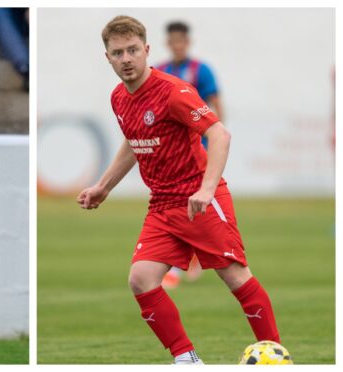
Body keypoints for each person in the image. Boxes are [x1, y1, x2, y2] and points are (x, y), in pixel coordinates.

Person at [77, 15, 280, 364]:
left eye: (132, 50)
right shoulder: (119, 98)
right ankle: (187, 360)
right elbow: (133, 141)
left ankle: (277, 355)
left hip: (199, 200)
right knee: (141, 279)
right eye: (117, 53)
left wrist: (206, 189)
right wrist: (103, 186)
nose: (126, 58)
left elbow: (220, 134)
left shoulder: (174, 91)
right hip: (162, 204)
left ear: (146, 50)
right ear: (107, 57)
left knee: (235, 278)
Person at [156, 21, 224, 289]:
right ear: (168, 43)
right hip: (169, 154)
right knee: (174, 206)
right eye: (173, 41)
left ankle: (181, 264)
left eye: (181, 41)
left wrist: (213, 140)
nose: (177, 45)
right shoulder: (159, 71)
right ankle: (185, 259)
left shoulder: (201, 70)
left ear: (188, 42)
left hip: (199, 152)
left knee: (192, 206)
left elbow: (216, 108)